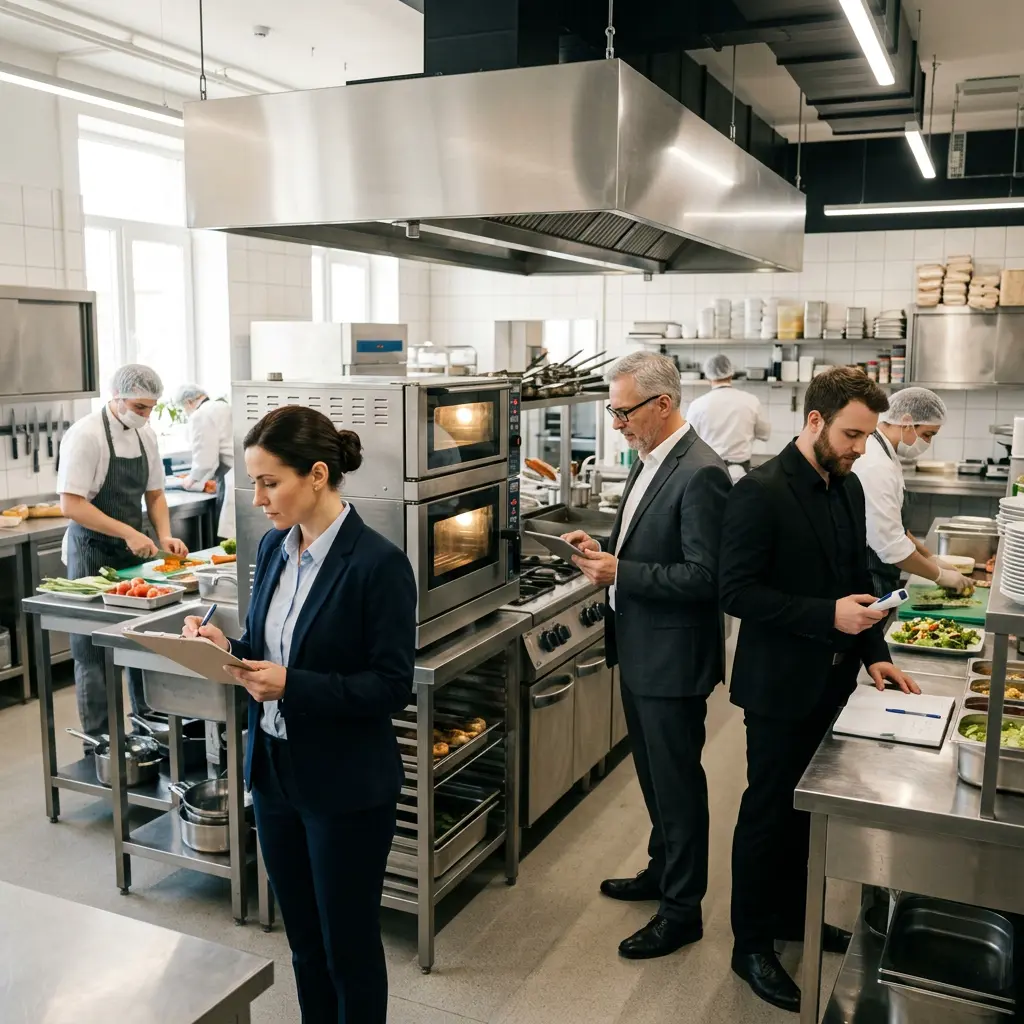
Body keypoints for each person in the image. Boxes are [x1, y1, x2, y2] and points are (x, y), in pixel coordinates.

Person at [183, 405, 416, 1024]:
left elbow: (392, 687)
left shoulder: (378, 565)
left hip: (344, 783)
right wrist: (223, 651)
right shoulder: (274, 549)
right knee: (305, 943)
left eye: (269, 482)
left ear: (317, 474)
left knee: (349, 947)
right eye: (253, 482)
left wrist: (294, 685)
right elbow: (265, 655)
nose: (258, 498)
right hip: (277, 773)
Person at [720, 367, 919, 1013]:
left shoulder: (849, 486)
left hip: (834, 680)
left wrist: (874, 653)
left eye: (865, 436)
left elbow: (854, 574)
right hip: (779, 686)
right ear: (814, 421)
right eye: (852, 434)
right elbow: (737, 592)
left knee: (809, 814)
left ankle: (790, 917)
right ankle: (750, 944)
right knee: (767, 815)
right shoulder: (760, 491)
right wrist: (824, 616)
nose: (861, 447)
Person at [562, 351, 732, 960]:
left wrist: (621, 572)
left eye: (623, 411)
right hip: (638, 650)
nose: (616, 423)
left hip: (672, 659)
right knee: (657, 780)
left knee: (679, 786)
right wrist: (602, 552)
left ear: (663, 404)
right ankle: (662, 873)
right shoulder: (651, 459)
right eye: (612, 410)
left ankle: (682, 912)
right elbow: (641, 538)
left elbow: (706, 578)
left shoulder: (702, 471)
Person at [57, 364, 187, 736]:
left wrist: (164, 535)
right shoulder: (86, 435)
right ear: (116, 398)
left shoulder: (145, 436)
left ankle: (146, 726)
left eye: (151, 408)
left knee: (139, 639)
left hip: (134, 554)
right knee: (93, 653)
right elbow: (71, 504)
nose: (146, 415)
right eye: (140, 407)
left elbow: (156, 493)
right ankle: (99, 740)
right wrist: (127, 531)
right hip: (92, 552)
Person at [851, 386, 972, 597]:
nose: (928, 442)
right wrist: (939, 575)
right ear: (907, 422)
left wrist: (930, 557)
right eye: (927, 434)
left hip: (881, 569)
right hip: (867, 578)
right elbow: (891, 545)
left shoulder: (885, 453)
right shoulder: (875, 464)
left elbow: (895, 526)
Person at [686, 354, 771, 481]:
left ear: (708, 376)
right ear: (731, 374)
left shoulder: (697, 405)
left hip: (708, 475)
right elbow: (765, 434)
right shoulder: (751, 401)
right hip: (740, 474)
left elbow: (689, 441)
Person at [174, 384, 234, 533]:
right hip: (238, 473)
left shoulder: (200, 414)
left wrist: (192, 479)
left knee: (228, 538)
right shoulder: (223, 406)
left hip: (229, 478)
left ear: (188, 402)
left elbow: (205, 458)